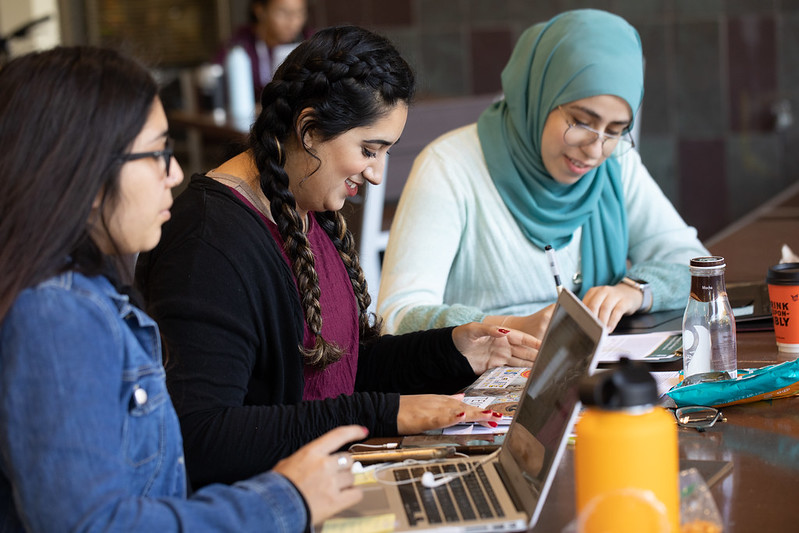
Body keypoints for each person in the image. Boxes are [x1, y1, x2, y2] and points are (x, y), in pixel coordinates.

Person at [136, 25, 540, 489]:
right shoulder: (207, 246)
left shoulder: (304, 208)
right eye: (368, 151)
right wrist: (382, 414)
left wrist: (453, 350)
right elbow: (203, 438)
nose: (374, 174)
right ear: (308, 131)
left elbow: (338, 371)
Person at [0, 45, 369, 531]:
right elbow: (94, 524)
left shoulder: (87, 294)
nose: (173, 174)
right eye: (157, 154)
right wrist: (286, 497)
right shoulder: (56, 314)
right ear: (81, 170)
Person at [377, 9, 709, 337]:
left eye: (616, 129)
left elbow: (697, 266)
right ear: (539, 95)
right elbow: (398, 317)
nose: (595, 149)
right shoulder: (450, 167)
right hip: (476, 383)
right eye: (581, 121)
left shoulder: (616, 162)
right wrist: (509, 327)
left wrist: (633, 291)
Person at [214, 0, 309, 99]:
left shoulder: (309, 41)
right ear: (260, 11)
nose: (294, 22)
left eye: (300, 12)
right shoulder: (237, 47)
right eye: (283, 12)